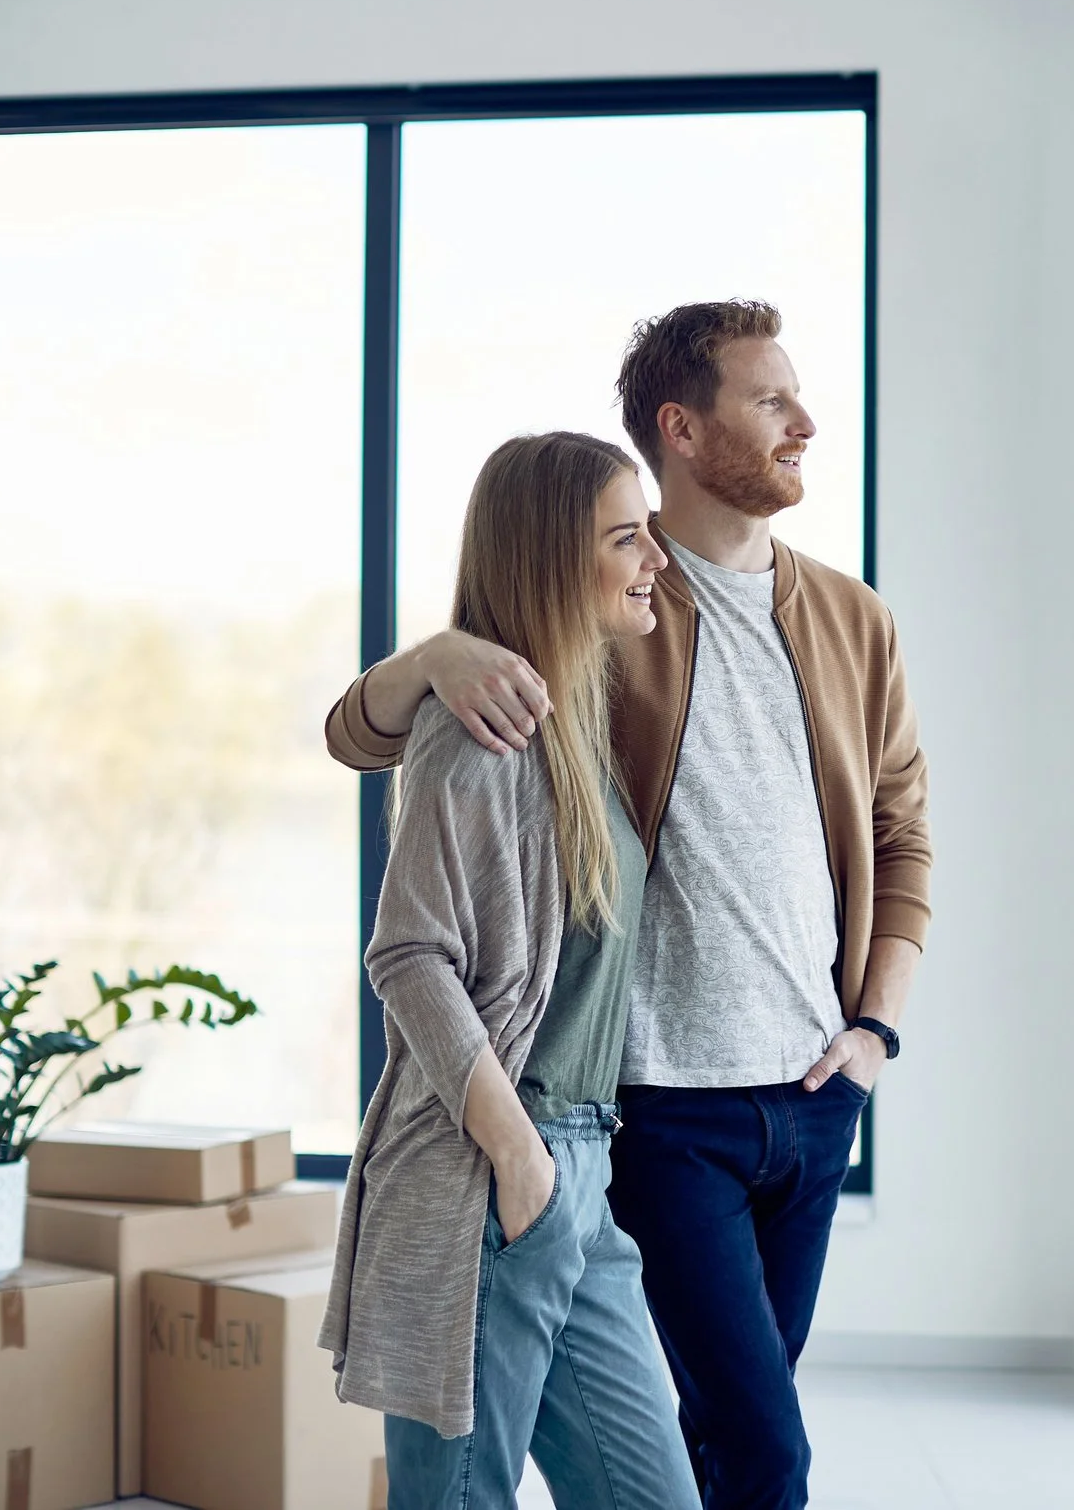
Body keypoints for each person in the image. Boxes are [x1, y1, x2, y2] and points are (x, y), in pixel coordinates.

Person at [324, 299, 932, 1510]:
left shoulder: (852, 621)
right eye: (771, 399)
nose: (805, 421)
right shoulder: (607, 623)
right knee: (757, 1449)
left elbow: (902, 834)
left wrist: (872, 1034)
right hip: (636, 1110)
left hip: (803, 1099)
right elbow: (368, 748)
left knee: (723, 1437)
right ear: (684, 428)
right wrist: (431, 656)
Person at [318, 431, 699, 1510]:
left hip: (581, 1172)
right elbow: (407, 953)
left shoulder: (574, 712)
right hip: (496, 1167)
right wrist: (518, 1156)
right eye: (626, 538)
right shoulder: (477, 729)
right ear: (548, 559)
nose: (653, 560)